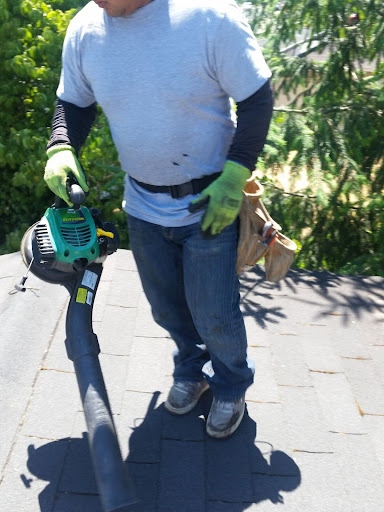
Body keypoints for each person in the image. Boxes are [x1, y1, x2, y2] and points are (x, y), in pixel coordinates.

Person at [44, 0, 273, 439]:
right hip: (143, 204)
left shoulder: (209, 18)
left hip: (210, 202)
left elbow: (257, 98)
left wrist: (236, 171)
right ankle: (192, 369)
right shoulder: (86, 28)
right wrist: (60, 145)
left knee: (215, 313)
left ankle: (230, 384)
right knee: (166, 307)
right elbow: (72, 102)